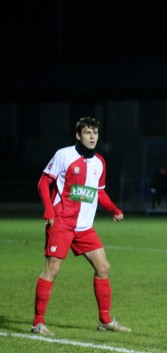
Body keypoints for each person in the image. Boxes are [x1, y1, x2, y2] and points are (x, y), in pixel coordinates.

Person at [31, 116, 130, 336]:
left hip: (84, 227)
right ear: (78, 135)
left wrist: (114, 209)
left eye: (95, 132)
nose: (92, 136)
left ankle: (104, 320)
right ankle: (38, 323)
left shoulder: (99, 162)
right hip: (62, 222)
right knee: (52, 269)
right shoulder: (64, 155)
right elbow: (43, 182)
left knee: (103, 267)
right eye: (87, 132)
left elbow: (99, 191)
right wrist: (48, 209)